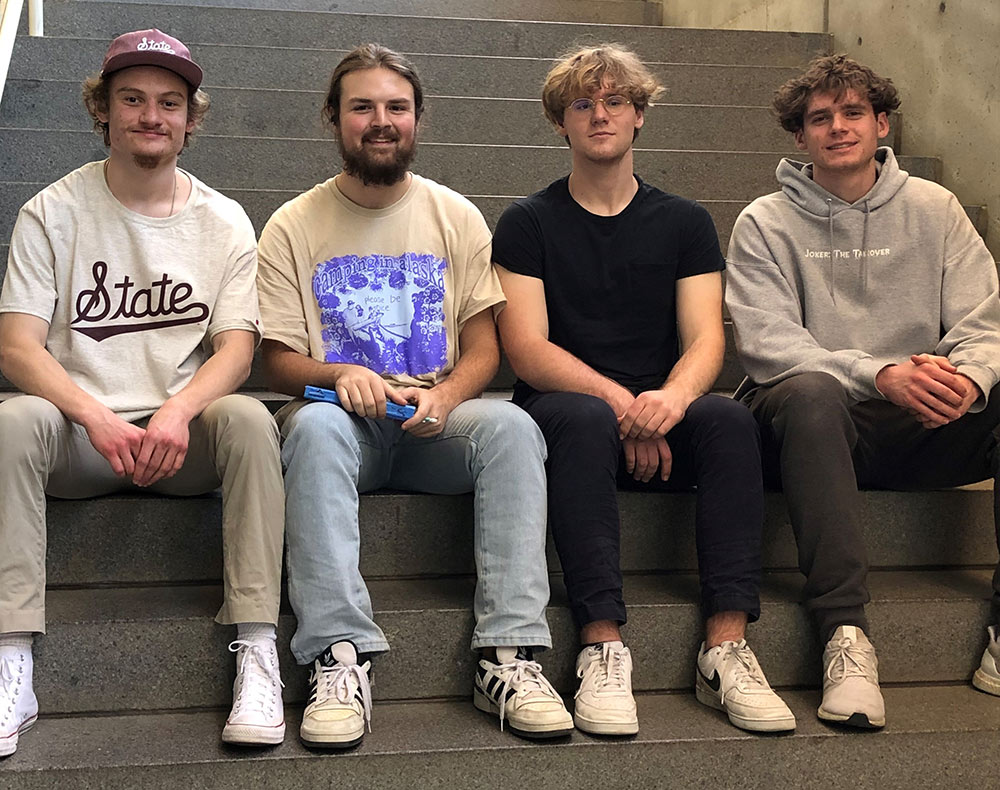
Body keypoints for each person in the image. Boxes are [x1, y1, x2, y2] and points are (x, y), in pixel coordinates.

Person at [255, 43, 571, 749]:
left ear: (418, 119)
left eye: (396, 107)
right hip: (344, 428)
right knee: (310, 430)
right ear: (333, 119)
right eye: (362, 106)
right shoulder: (292, 225)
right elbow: (274, 363)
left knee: (514, 429)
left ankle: (509, 655)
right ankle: (338, 657)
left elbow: (485, 349)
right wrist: (339, 378)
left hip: (436, 428)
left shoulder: (455, 217)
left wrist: (450, 395)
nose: (380, 120)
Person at [492, 44, 794, 735]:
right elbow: (529, 351)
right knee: (579, 416)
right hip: (573, 420)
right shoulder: (528, 222)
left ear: (639, 118)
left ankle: (726, 645)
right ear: (559, 123)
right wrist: (625, 406)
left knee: (727, 420)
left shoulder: (684, 223)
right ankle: (601, 645)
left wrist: (669, 404)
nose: (599, 115)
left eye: (615, 101)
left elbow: (707, 342)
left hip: (662, 412)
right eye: (581, 103)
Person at [0, 29, 287, 756]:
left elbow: (239, 349)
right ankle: (11, 656)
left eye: (169, 101)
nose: (150, 115)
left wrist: (178, 412)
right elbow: (15, 347)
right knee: (14, 421)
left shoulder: (223, 221)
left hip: (179, 443)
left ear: (193, 118)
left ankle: (256, 646)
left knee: (251, 419)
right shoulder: (51, 211)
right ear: (103, 109)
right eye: (132, 99)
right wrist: (95, 417)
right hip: (82, 442)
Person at [725, 54, 1000, 729]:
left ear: (882, 124)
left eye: (853, 113)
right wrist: (877, 373)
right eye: (821, 118)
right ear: (801, 137)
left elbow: (982, 321)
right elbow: (767, 344)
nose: (838, 127)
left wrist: (966, 380)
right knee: (812, 391)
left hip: (912, 422)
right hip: (808, 425)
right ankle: (845, 635)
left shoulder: (935, 209)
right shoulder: (763, 222)